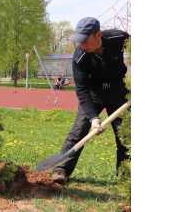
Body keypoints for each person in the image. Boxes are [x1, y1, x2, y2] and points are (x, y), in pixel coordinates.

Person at [51, 17, 130, 184]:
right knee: (79, 130)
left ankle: (126, 176)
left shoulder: (119, 38)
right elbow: (82, 90)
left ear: (98, 35)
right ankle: (61, 170)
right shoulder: (79, 57)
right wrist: (94, 118)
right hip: (94, 93)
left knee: (125, 135)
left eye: (85, 40)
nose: (82, 45)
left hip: (118, 91)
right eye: (79, 41)